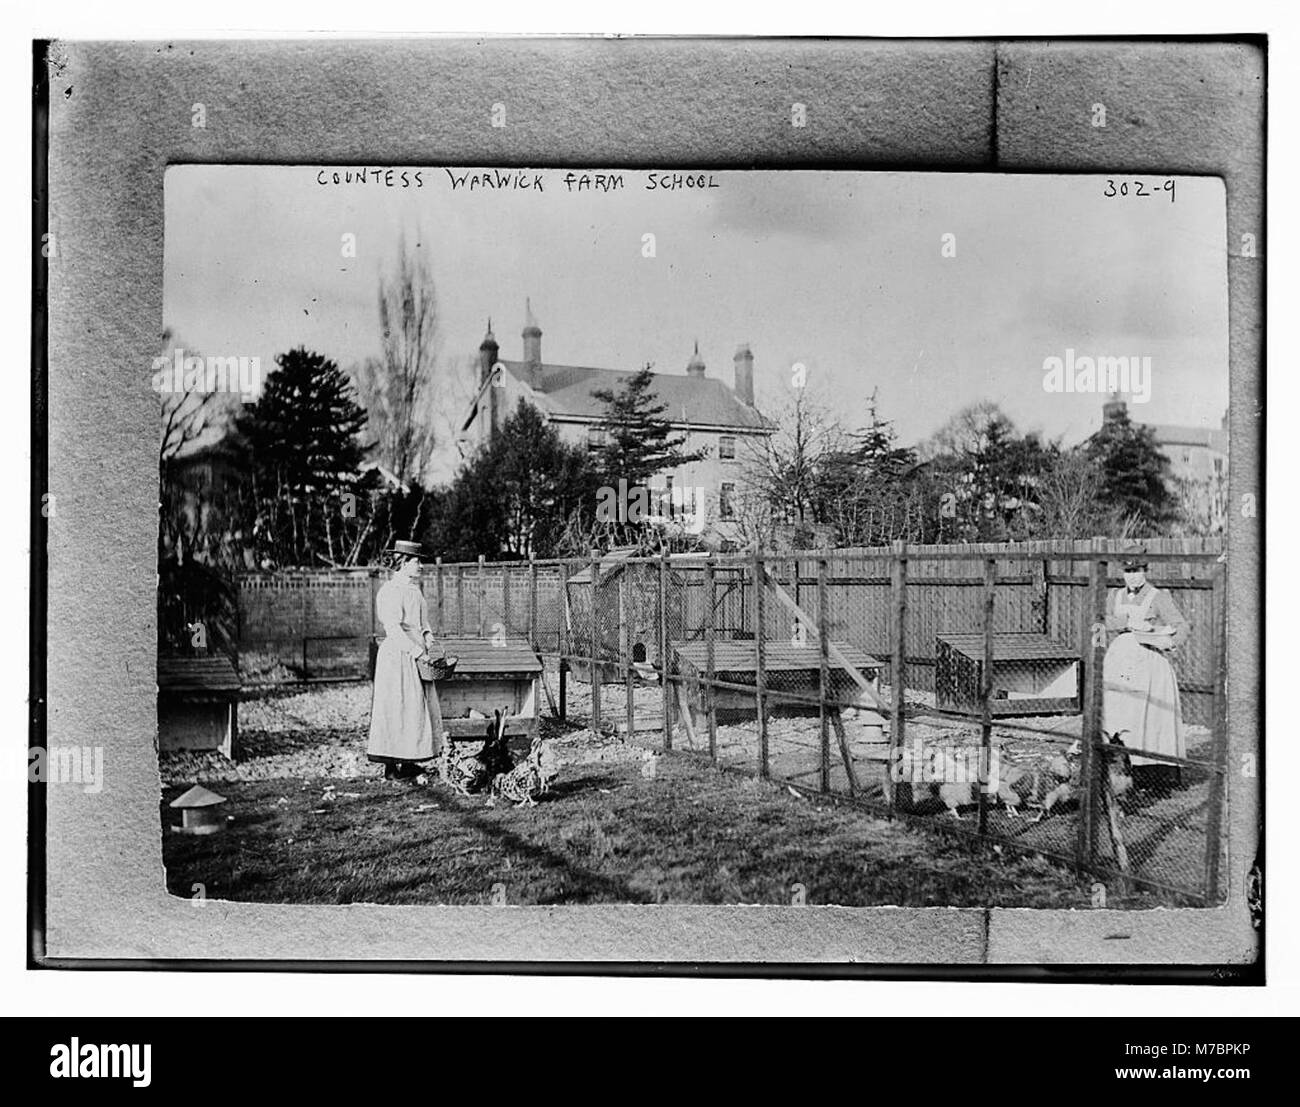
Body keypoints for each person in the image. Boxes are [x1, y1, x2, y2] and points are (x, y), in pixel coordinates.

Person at [1102, 545, 1190, 790]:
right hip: (1119, 662)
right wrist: (1126, 621)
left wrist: (1165, 638)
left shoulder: (1158, 596)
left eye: (1137, 570)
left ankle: (1154, 772)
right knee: (1120, 714)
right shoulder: (1114, 596)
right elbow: (1101, 621)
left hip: (1148, 664)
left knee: (1148, 717)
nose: (1132, 576)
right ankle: (1120, 767)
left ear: (1145, 570)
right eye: (1128, 571)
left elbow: (1181, 626)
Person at [368, 539, 446, 782]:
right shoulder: (390, 592)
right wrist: (416, 651)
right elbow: (393, 629)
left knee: (414, 709)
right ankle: (391, 767)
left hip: (416, 654)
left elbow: (421, 622)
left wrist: (428, 636)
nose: (420, 565)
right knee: (395, 708)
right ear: (402, 563)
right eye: (416, 561)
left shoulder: (414, 590)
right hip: (397, 657)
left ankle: (410, 761)